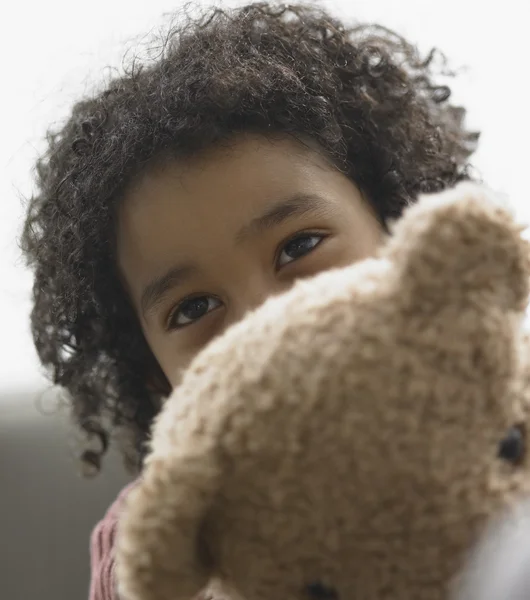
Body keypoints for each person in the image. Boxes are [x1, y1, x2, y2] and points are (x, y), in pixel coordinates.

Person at [20, 2, 479, 598]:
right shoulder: (158, 546)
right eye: (192, 308)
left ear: (401, 227)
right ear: (155, 374)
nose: (264, 319)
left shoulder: (498, 403)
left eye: (300, 246)